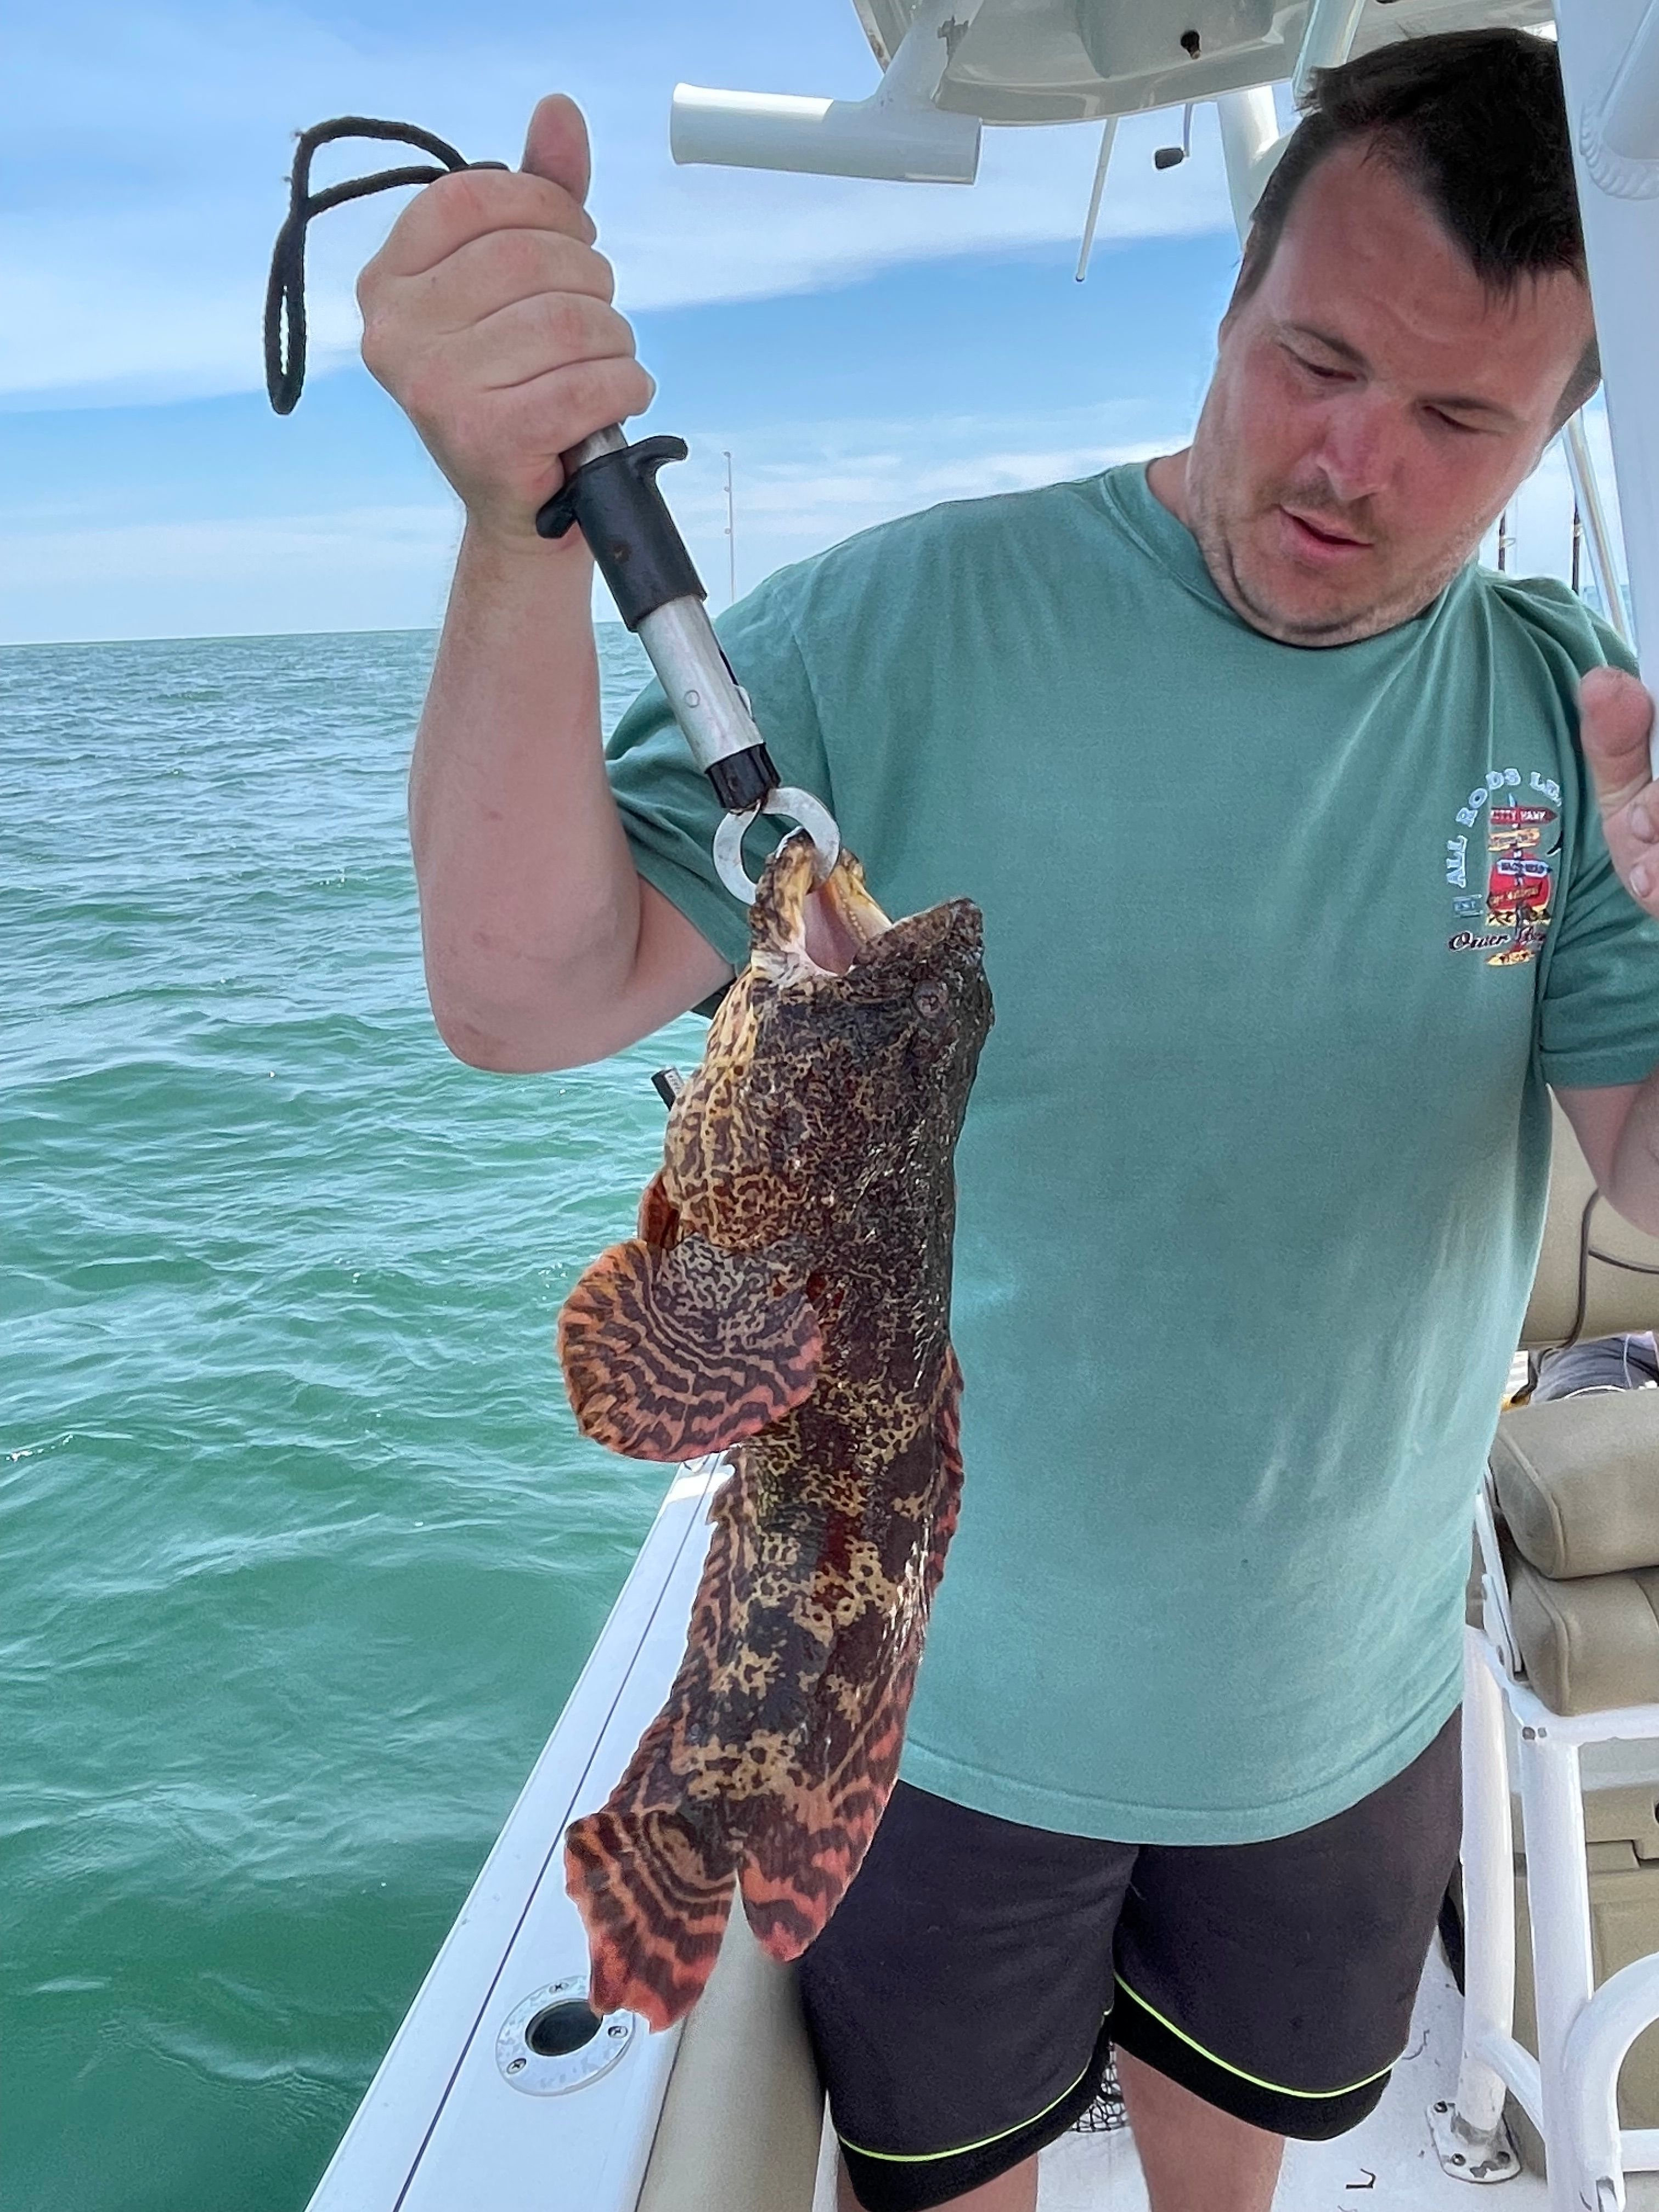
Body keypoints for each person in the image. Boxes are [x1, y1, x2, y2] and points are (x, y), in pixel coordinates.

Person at [358, 29, 1659, 2212]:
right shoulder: (912, 618)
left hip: (1336, 1719)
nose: (1356, 461)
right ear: (1230, 308)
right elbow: (517, 996)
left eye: (1459, 418)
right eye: (1314, 360)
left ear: (1561, 423)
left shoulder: (1571, 711)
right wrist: (513, 541)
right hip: (927, 1711)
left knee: (1230, 2155)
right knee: (950, 2175)